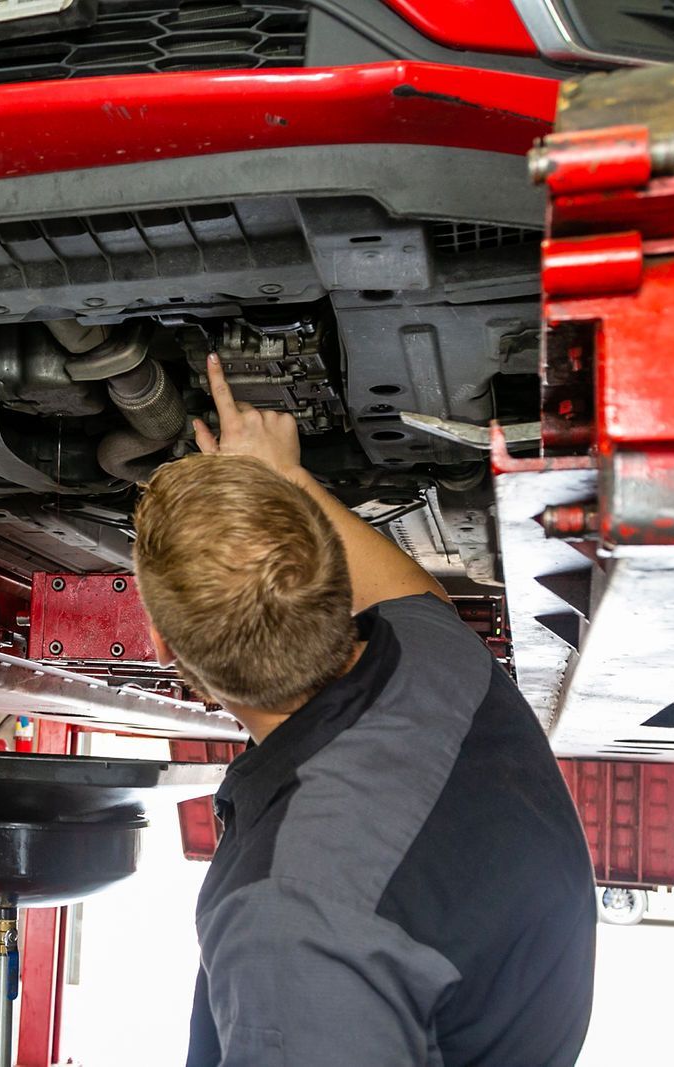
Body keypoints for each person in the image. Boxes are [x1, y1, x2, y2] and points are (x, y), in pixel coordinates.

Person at [134, 357, 596, 1067]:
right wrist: (285, 480)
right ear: (332, 571)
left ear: (163, 646)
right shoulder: (433, 658)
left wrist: (282, 484)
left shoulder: (292, 922)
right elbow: (407, 594)